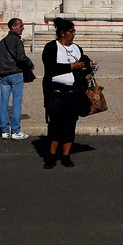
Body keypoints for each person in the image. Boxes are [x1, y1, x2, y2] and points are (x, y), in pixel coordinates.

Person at [41, 18, 94, 169]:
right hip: (56, 93)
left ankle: (66, 156)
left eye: (74, 31)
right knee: (55, 126)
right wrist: (71, 66)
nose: (74, 34)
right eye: (71, 31)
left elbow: (83, 65)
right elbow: (50, 68)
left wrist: (88, 66)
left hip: (73, 93)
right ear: (62, 33)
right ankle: (51, 157)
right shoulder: (51, 47)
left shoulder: (77, 48)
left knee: (70, 126)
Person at [0, 17, 33, 139]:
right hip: (16, 74)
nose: (23, 28)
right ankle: (16, 131)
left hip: (4, 75)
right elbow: (21, 57)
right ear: (13, 27)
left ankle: (5, 130)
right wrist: (30, 64)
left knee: (4, 103)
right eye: (20, 26)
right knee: (16, 102)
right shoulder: (17, 41)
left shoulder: (2, 42)